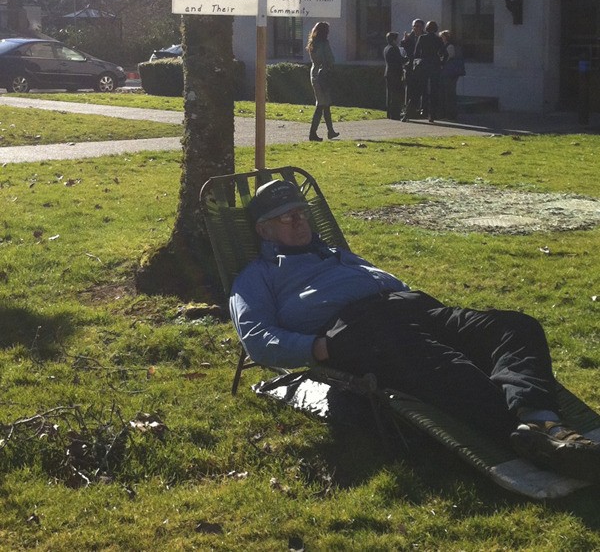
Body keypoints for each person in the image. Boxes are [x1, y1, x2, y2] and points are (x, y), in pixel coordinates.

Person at [230, 179, 600, 482]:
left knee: (514, 327)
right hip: (360, 330)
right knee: (448, 368)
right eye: (285, 217)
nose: (298, 221)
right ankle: (535, 436)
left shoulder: (337, 253)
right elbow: (259, 341)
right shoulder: (256, 278)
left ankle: (539, 422)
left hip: (415, 307)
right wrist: (321, 348)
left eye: (300, 213)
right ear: (264, 230)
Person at [306, 21, 339, 141]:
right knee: (321, 104)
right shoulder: (324, 43)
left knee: (325, 104)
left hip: (314, 72)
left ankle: (330, 131)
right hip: (322, 74)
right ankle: (312, 133)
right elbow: (329, 58)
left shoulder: (312, 43)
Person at [411, 20, 447, 123]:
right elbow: (445, 53)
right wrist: (441, 64)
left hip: (424, 65)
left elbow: (416, 52)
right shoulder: (438, 39)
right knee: (434, 90)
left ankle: (417, 110)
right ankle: (432, 114)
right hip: (435, 65)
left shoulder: (422, 38)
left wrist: (417, 62)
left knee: (421, 89)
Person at [400, 19, 425, 120]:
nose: (415, 28)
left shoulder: (425, 37)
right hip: (410, 67)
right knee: (409, 90)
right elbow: (403, 49)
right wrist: (404, 40)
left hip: (421, 67)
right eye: (414, 26)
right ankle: (408, 111)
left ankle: (419, 110)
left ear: (422, 27)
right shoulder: (410, 37)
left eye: (418, 26)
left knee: (420, 90)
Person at [439, 29, 465, 120]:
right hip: (451, 72)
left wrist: (441, 62)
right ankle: (450, 113)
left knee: (449, 93)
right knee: (449, 92)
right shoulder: (451, 46)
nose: (441, 39)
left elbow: (448, 57)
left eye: (442, 37)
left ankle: (450, 113)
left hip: (450, 72)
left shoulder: (449, 46)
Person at [383, 32, 405, 120]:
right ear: (393, 40)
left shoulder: (386, 48)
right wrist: (408, 58)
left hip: (388, 73)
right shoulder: (394, 48)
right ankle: (395, 114)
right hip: (395, 73)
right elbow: (399, 60)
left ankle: (389, 113)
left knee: (390, 94)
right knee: (396, 94)